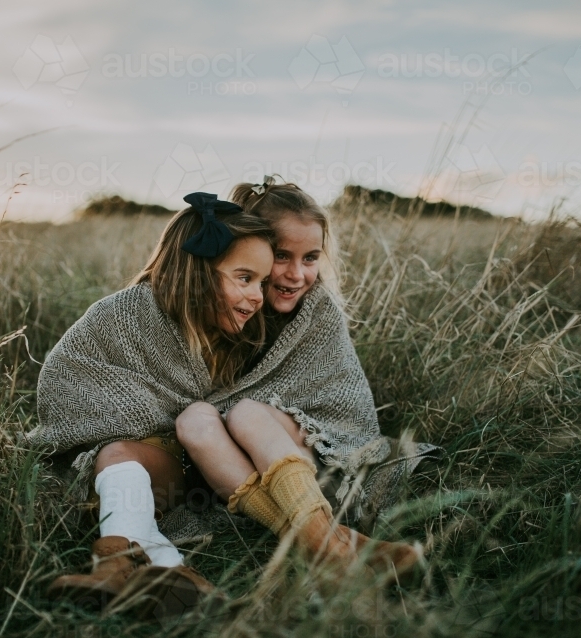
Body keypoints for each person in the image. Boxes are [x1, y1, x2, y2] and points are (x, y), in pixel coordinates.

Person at [175, 177, 441, 577]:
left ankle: (323, 538)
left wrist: (237, 411)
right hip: (232, 470)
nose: (296, 274)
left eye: (311, 258)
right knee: (193, 419)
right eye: (282, 255)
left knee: (246, 413)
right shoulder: (225, 303)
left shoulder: (318, 315)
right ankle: (329, 545)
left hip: (316, 463)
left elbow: (345, 411)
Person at [32, 192, 275, 607]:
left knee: (119, 452)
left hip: (178, 468)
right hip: (88, 469)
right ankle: (168, 569)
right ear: (197, 272)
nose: (258, 297)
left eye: (263, 283)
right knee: (113, 451)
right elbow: (66, 376)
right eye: (244, 278)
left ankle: (112, 567)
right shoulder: (125, 314)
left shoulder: (241, 339)